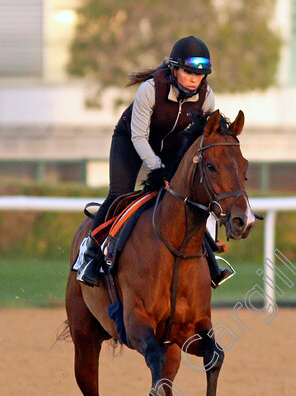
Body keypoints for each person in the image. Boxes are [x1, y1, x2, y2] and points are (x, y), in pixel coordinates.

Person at [73, 35, 234, 288]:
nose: (194, 79)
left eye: (200, 75)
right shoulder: (150, 89)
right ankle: (90, 252)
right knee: (119, 193)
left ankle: (210, 263)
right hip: (131, 141)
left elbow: (199, 141)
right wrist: (158, 168)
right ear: (174, 69)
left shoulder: (207, 98)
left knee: (191, 199)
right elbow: (139, 137)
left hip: (172, 147)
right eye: (188, 72)